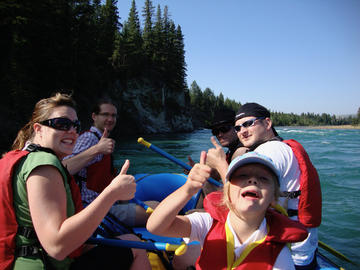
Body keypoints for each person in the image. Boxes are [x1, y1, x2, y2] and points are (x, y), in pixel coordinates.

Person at [1, 93, 150, 269]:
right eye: (61, 124)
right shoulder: (45, 165)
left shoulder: (24, 158)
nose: (72, 130)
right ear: (38, 129)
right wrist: (111, 193)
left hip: (27, 258)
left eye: (75, 125)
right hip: (46, 264)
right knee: (136, 247)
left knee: (128, 241)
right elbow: (57, 246)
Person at [147, 151, 308, 269]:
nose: (252, 180)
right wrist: (188, 189)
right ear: (227, 192)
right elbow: (156, 227)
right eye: (242, 176)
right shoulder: (208, 223)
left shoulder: (280, 257)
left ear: (273, 198)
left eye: (263, 178)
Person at [208, 102, 322, 269]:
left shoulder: (271, 151)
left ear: (267, 123)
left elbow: (238, 198)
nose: (242, 131)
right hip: (301, 245)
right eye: (238, 128)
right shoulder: (281, 147)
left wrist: (219, 164)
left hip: (288, 249)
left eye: (248, 124)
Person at [63, 98, 155, 227]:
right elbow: (65, 167)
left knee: (156, 206)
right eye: (105, 114)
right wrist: (97, 149)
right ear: (94, 116)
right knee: (158, 211)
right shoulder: (89, 138)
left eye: (113, 115)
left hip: (105, 201)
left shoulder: (100, 138)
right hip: (92, 208)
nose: (110, 119)